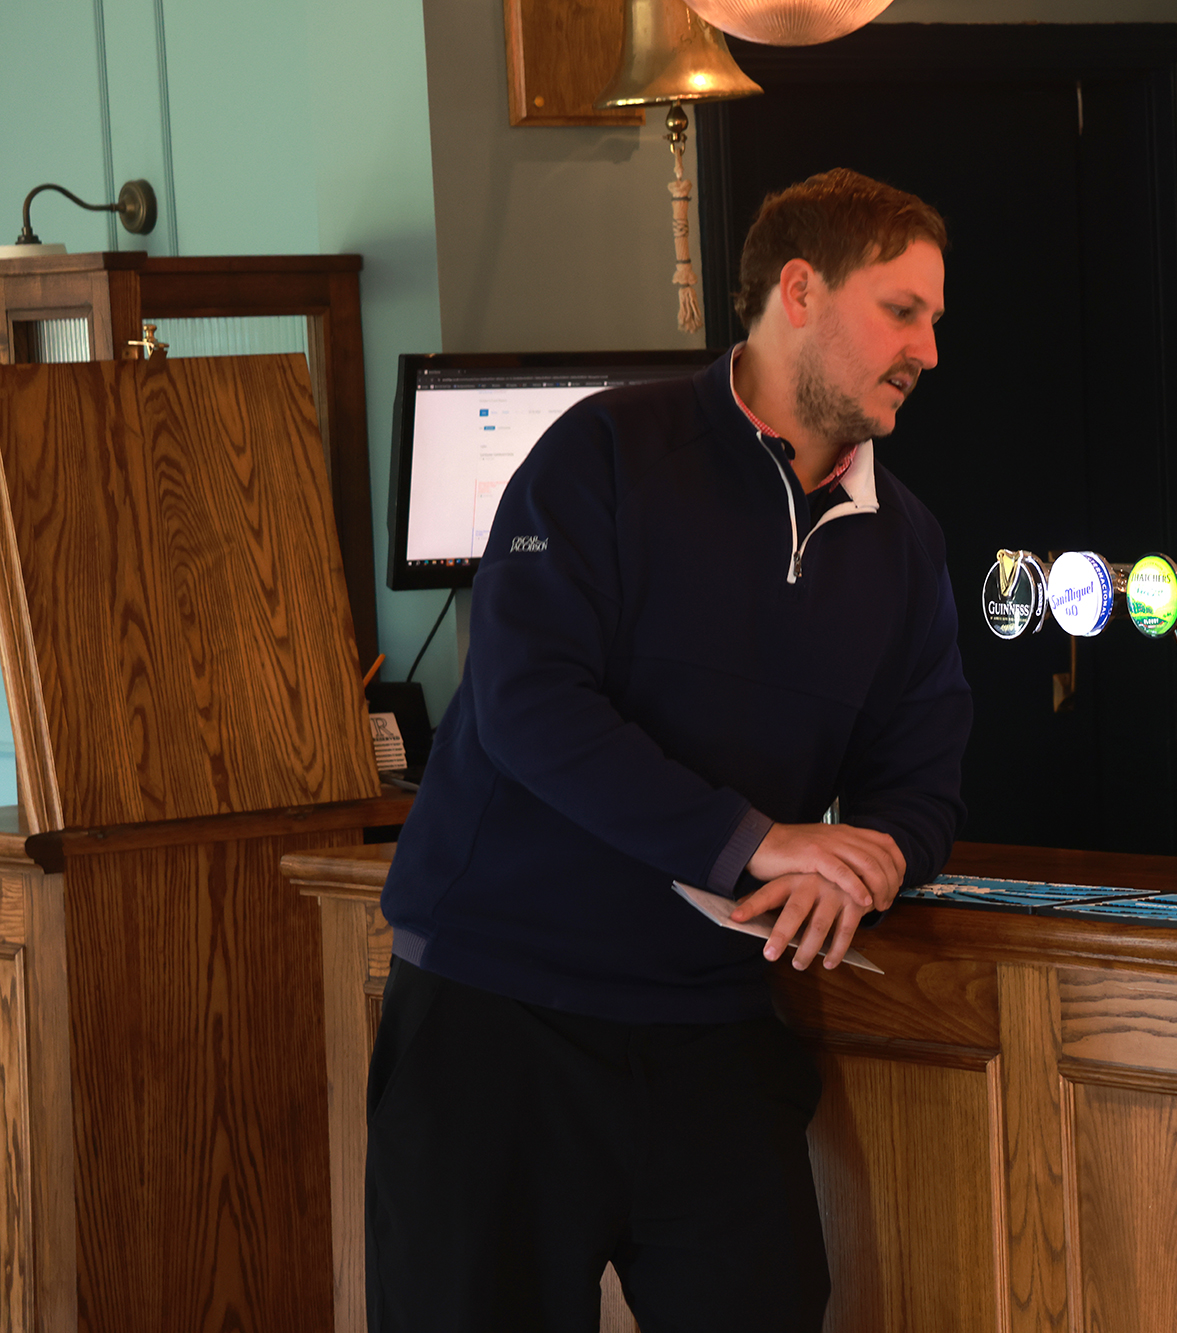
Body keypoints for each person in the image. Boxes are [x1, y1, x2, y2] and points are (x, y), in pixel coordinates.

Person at [367, 168, 972, 1333]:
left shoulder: (905, 544)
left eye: (934, 319)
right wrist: (753, 841)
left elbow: (923, 773)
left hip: (716, 1034)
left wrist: (884, 857)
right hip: (501, 1018)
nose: (927, 350)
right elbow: (528, 700)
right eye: (903, 310)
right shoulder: (604, 451)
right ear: (799, 290)